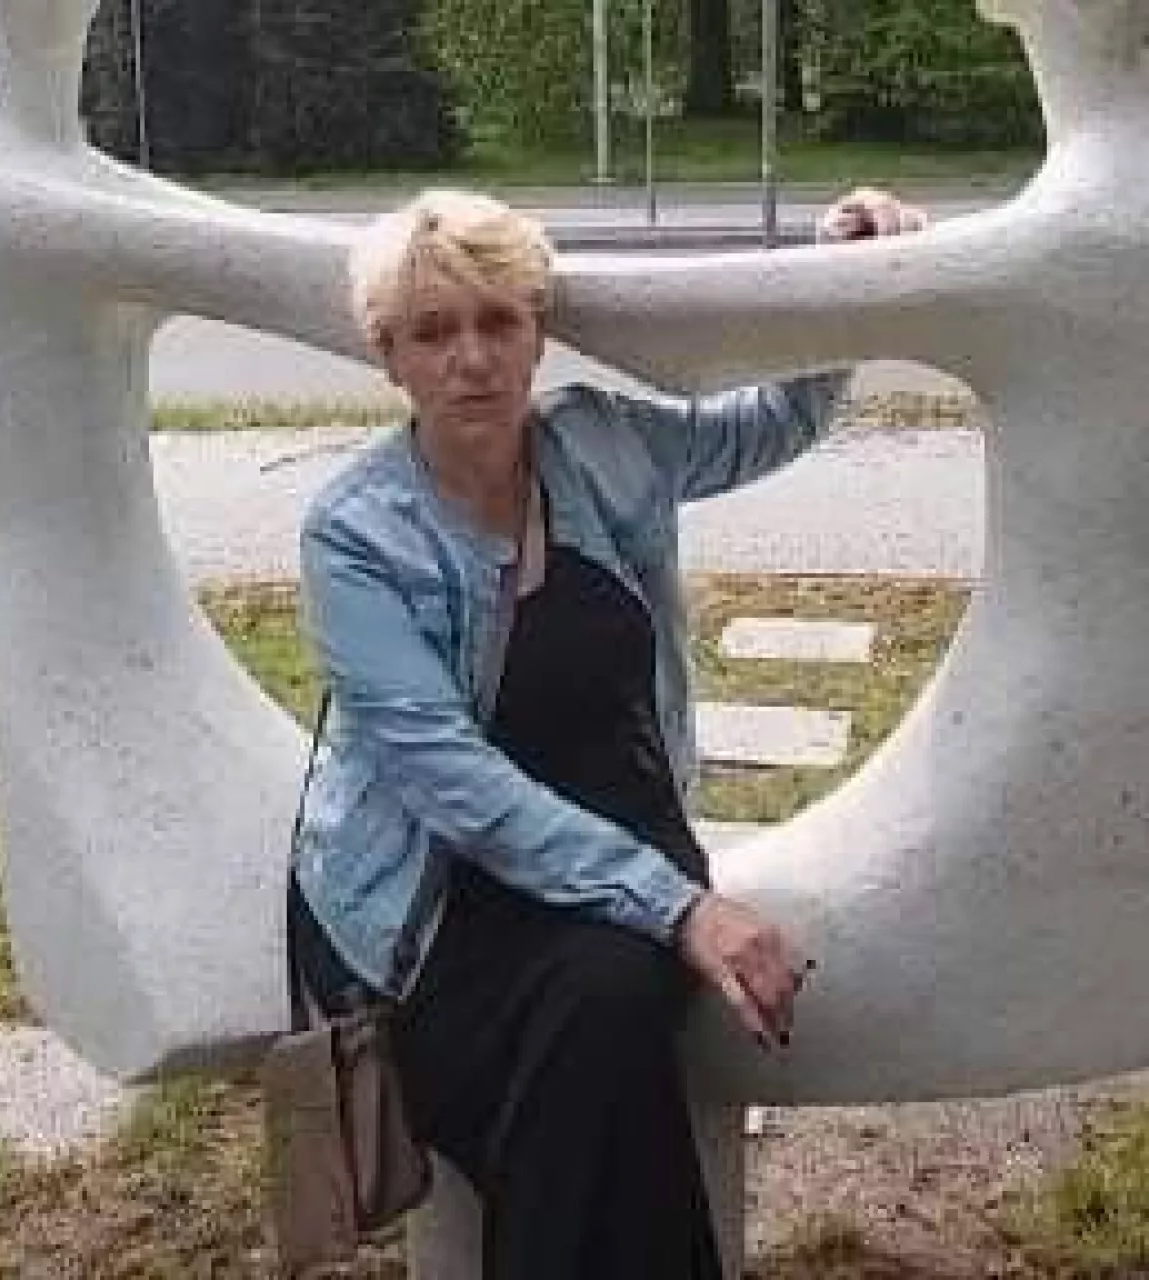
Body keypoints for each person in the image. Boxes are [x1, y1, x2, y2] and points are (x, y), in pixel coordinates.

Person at [291, 186, 926, 1279]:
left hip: (620, 847)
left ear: (537, 332)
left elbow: (767, 424)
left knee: (602, 1015)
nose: (472, 360)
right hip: (430, 903)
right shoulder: (355, 535)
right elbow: (456, 787)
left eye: (498, 321)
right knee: (599, 1033)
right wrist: (680, 909)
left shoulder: (599, 444)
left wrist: (838, 281)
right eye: (433, 333)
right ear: (388, 358)